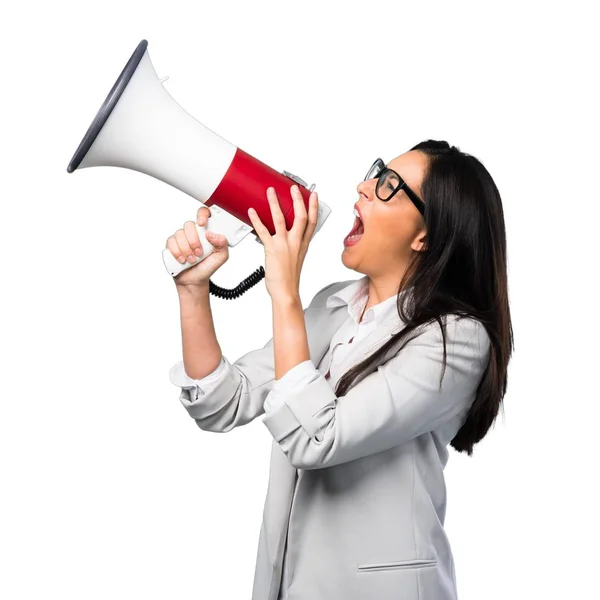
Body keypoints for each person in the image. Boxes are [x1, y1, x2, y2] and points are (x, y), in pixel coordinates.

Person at [167, 139, 513, 600]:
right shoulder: (334, 305)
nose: (363, 187)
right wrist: (193, 291)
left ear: (425, 235)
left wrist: (284, 292)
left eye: (389, 186)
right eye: (376, 173)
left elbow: (317, 438)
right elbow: (222, 403)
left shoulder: (456, 340)